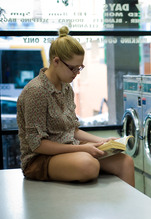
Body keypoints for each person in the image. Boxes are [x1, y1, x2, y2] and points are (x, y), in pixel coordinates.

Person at [17, 26, 135, 187]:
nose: (77, 73)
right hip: (40, 160)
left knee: (125, 162)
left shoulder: (66, 88)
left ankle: (128, 212)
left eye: (80, 67)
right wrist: (83, 149)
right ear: (56, 61)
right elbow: (37, 145)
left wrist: (102, 141)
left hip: (70, 149)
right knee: (88, 165)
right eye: (73, 68)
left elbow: (72, 130)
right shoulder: (36, 91)